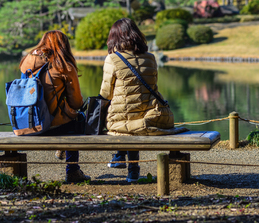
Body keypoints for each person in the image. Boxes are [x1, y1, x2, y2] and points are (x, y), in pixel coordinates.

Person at [99, 18, 175, 182]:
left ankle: (120, 157)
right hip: (150, 117)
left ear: (113, 38)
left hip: (121, 121)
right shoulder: (151, 58)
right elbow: (152, 86)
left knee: (122, 118)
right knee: (134, 117)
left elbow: (105, 94)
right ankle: (131, 168)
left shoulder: (112, 59)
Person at [19, 30, 90, 183]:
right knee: (79, 120)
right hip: (52, 125)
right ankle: (72, 171)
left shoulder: (26, 63)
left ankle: (63, 151)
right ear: (64, 46)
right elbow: (76, 103)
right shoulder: (64, 66)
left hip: (27, 124)